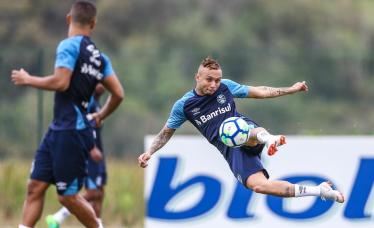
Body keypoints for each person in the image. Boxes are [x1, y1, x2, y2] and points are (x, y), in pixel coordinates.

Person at [0, 1, 124, 228]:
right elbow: (118, 93)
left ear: (69, 18)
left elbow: (61, 81)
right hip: (59, 129)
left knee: (67, 196)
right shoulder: (100, 57)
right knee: (35, 186)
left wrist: (28, 79)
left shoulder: (68, 45)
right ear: (93, 24)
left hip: (72, 131)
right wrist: (101, 115)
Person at [138, 57, 344, 203]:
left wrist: (291, 89)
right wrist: (149, 152)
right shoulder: (184, 105)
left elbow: (261, 92)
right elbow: (166, 132)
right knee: (259, 186)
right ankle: (321, 191)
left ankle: (268, 138)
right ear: (197, 77)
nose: (214, 84)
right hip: (230, 150)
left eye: (217, 80)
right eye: (209, 79)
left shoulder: (226, 87)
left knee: (237, 128)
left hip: (244, 129)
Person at [45, 83, 109, 228]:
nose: (102, 84)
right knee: (93, 192)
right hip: (89, 152)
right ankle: (57, 218)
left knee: (100, 193)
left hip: (98, 153)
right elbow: (83, 124)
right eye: (99, 81)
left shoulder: (98, 102)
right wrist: (92, 148)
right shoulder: (88, 101)